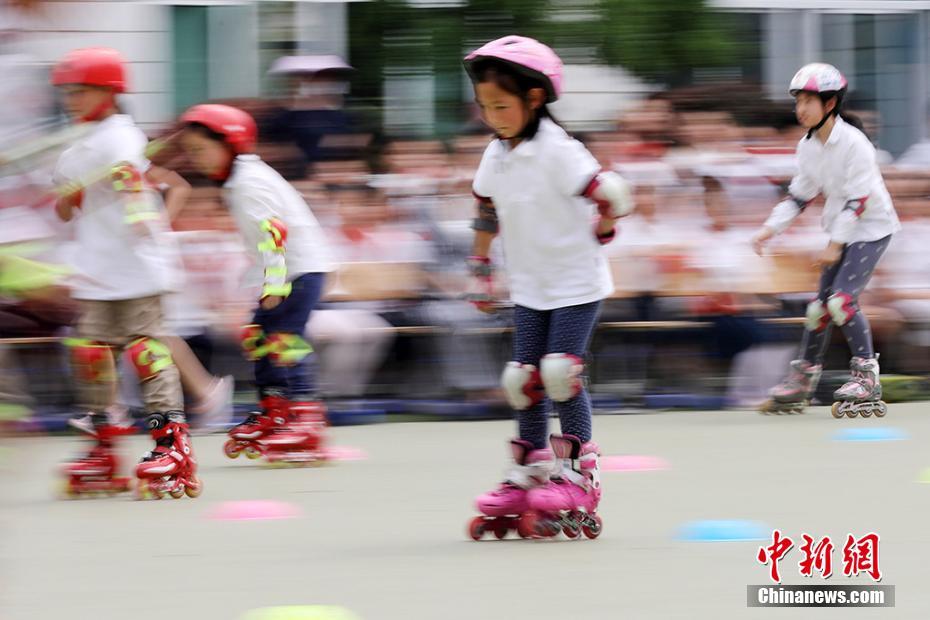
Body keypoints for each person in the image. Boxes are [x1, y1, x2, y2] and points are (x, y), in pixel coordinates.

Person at [462, 36, 633, 540]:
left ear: (534, 99)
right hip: (530, 286)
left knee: (561, 374)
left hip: (576, 284)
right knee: (523, 380)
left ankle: (581, 474)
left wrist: (607, 220)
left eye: (502, 105)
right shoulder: (496, 153)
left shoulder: (559, 150)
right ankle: (532, 469)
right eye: (485, 106)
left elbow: (612, 192)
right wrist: (479, 263)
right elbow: (486, 208)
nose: (493, 116)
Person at [51, 47, 199, 498]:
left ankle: (171, 445)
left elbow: (136, 186)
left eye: (82, 91)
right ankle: (101, 444)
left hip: (135, 270)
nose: (71, 100)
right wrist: (70, 193)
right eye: (68, 92)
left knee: (146, 353)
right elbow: (64, 211)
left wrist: (141, 213)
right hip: (96, 270)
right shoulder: (77, 147)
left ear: (109, 93)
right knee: (92, 358)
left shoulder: (121, 137)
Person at [178, 104, 332, 463]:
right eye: (190, 152)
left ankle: (306, 417)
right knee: (261, 339)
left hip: (298, 270)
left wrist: (274, 285)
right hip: (288, 271)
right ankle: (275, 410)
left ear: (230, 144)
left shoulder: (248, 182)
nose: (195, 159)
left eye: (200, 150)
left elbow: (273, 232)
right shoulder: (240, 179)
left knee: (285, 342)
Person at [752, 63, 901, 418]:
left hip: (872, 227)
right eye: (797, 101)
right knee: (818, 309)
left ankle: (866, 375)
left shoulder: (854, 143)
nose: (800, 109)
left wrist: (835, 245)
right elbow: (799, 196)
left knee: (841, 302)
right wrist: (770, 228)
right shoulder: (808, 147)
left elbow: (858, 201)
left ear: (830, 103)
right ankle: (802, 379)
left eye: (808, 101)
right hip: (841, 227)